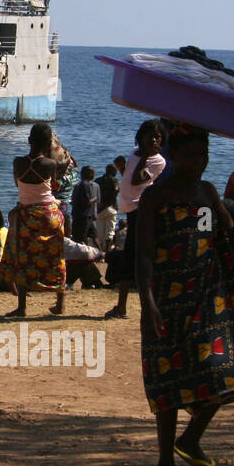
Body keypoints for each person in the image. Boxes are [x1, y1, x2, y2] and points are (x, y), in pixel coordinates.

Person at [136, 124, 234, 466]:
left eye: (203, 155)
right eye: (190, 156)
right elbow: (141, 255)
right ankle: (165, 462)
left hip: (208, 296)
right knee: (169, 381)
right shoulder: (155, 197)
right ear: (172, 157)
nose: (198, 162)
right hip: (167, 300)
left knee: (222, 371)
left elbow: (231, 239)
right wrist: (148, 303)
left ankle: (191, 439)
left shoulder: (207, 193)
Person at [2, 123, 68, 317]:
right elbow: (54, 186)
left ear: (29, 140)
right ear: (49, 143)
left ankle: (22, 307)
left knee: (23, 258)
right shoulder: (50, 164)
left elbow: (18, 183)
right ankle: (59, 303)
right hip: (49, 215)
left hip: (26, 214)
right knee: (56, 257)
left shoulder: (18, 163)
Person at [104, 120, 166, 319]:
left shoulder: (157, 161)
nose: (154, 140)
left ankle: (127, 306)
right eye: (150, 136)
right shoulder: (134, 154)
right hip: (131, 211)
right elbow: (128, 179)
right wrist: (122, 168)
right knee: (132, 258)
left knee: (135, 258)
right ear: (141, 137)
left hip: (143, 211)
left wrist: (145, 156)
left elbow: (137, 179)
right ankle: (122, 306)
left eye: (157, 137)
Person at [70, 165, 99, 245]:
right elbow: (90, 202)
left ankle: (92, 254)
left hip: (81, 215)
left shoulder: (79, 185)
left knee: (84, 237)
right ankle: (99, 254)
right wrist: (95, 199)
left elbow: (75, 201)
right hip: (87, 215)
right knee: (90, 237)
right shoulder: (91, 185)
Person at [95, 163, 120, 250]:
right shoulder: (115, 180)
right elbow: (116, 190)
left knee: (99, 232)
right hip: (111, 207)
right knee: (110, 231)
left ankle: (100, 249)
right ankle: (108, 250)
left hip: (99, 208)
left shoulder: (98, 180)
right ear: (113, 171)